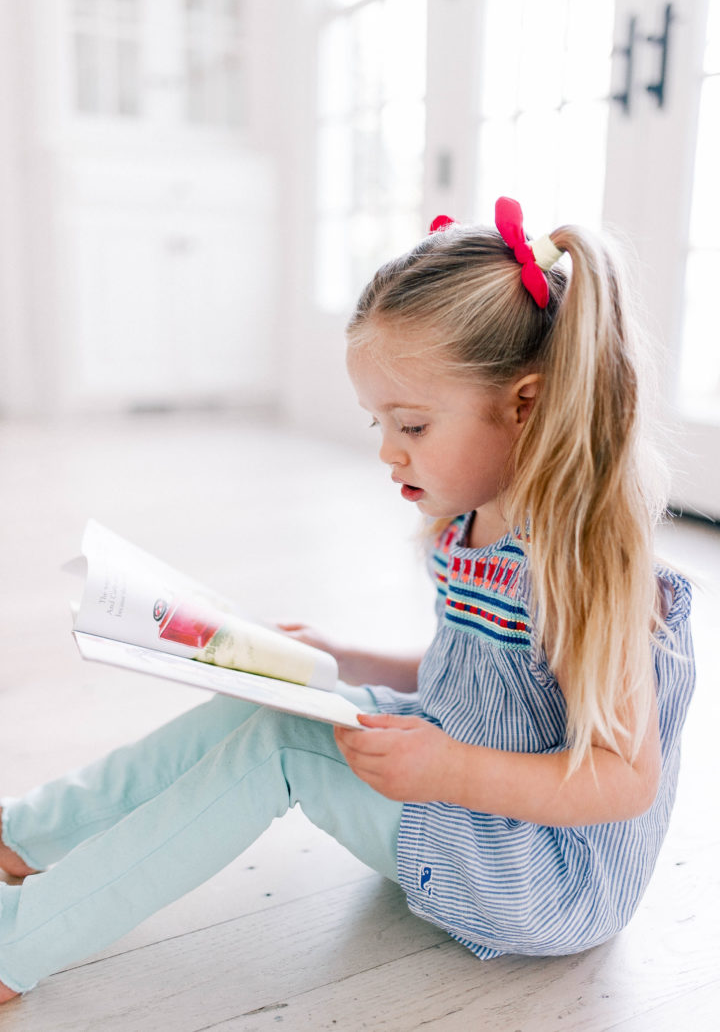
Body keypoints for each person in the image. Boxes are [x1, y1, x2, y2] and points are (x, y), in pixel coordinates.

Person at [0, 199, 695, 1002]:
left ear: (526, 405)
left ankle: (19, 945)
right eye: (378, 422)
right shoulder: (467, 525)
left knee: (286, 751)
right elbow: (483, 677)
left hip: (541, 874)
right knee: (281, 703)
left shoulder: (585, 563)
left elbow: (622, 779)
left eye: (414, 424)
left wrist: (450, 768)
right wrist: (345, 658)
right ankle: (27, 832)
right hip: (468, 801)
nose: (387, 449)